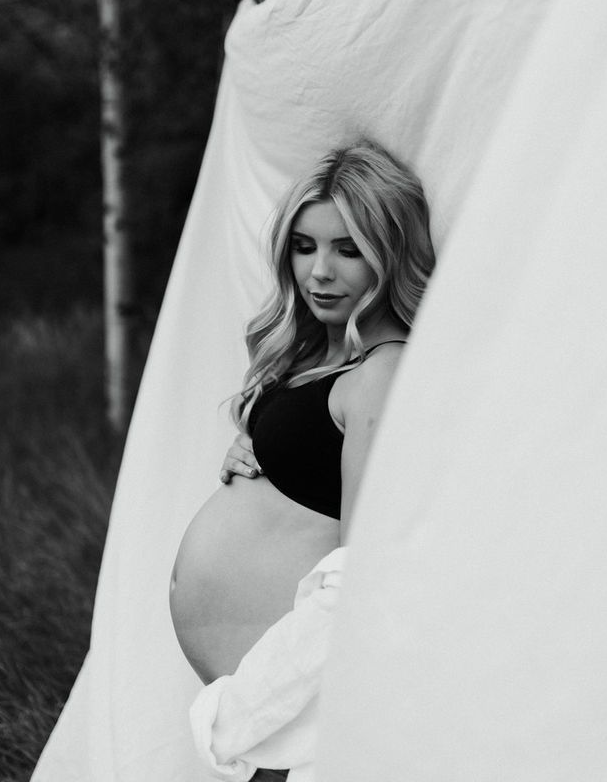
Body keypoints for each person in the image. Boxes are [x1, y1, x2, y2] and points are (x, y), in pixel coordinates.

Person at [169, 138, 435, 781]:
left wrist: (262, 696)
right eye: (305, 245)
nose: (319, 271)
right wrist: (258, 448)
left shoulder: (383, 369)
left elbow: (359, 558)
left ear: (390, 253)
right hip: (266, 684)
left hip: (290, 682)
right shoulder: (329, 359)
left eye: (349, 250)